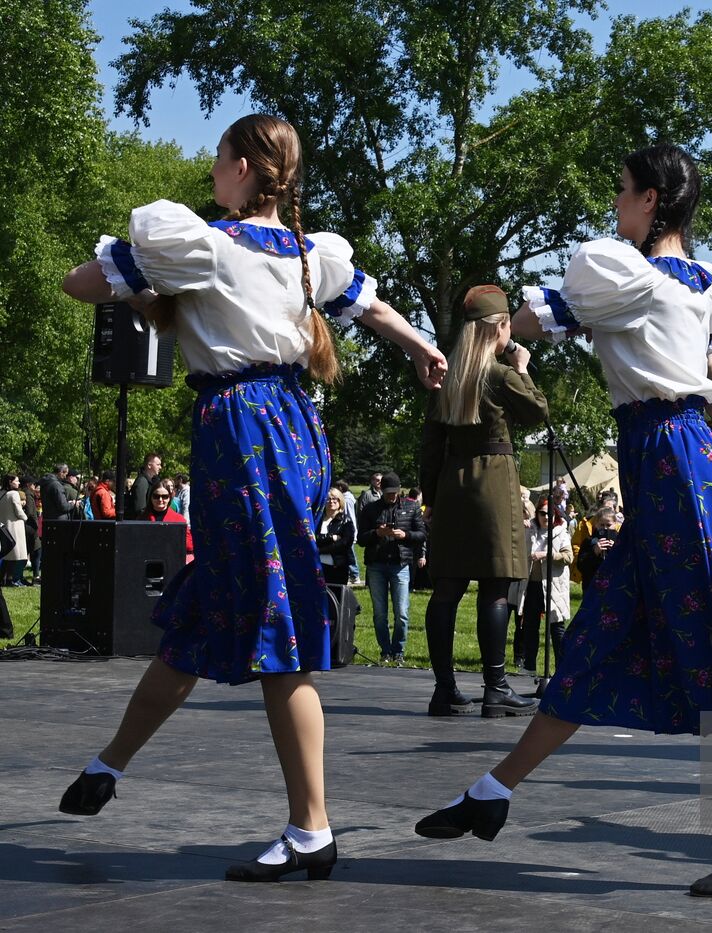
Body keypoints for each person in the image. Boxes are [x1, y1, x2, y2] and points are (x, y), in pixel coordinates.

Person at [55, 113, 447, 882]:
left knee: (276, 628)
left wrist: (138, 278)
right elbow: (369, 308)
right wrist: (423, 346)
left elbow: (78, 284)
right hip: (293, 427)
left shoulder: (206, 247)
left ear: (241, 168)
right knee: (206, 609)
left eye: (217, 161)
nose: (210, 174)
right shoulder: (306, 255)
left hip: (241, 429)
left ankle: (311, 826)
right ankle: (109, 764)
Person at [415, 143, 712, 897]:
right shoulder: (698, 284)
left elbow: (541, 316)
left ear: (651, 201)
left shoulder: (625, 270)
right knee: (596, 638)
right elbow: (687, 364)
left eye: (622, 191)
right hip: (673, 463)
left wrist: (495, 341)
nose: (616, 204)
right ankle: (495, 789)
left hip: (678, 467)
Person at [420, 284, 548, 718]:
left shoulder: (446, 375)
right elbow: (536, 412)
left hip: (452, 484)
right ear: (501, 327)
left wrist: (432, 498)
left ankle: (444, 690)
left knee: (447, 589)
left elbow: (430, 445)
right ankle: (495, 688)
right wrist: (524, 367)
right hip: (493, 483)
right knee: (495, 587)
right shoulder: (499, 373)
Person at [357, 472, 427, 666]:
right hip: (376, 565)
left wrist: (405, 535)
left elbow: (422, 534)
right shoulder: (371, 509)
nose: (391, 496)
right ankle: (385, 650)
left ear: (399, 490)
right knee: (380, 613)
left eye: (394, 492)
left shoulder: (411, 507)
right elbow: (361, 539)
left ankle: (399, 650)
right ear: (381, 490)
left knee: (402, 612)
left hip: (400, 564)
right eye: (388, 493)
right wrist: (376, 533)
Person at [517, 498, 573, 679]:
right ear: (537, 514)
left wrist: (547, 554)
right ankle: (529, 666)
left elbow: (569, 557)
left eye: (550, 513)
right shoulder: (529, 530)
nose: (546, 517)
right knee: (530, 626)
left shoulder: (561, 532)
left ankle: (561, 668)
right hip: (532, 586)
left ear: (555, 515)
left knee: (556, 627)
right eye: (542, 513)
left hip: (553, 587)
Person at [141, 483, 193, 561]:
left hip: (172, 561)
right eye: (156, 496)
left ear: (169, 498)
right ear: (150, 497)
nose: (160, 500)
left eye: (164, 496)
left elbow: (189, 545)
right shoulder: (142, 518)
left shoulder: (179, 520)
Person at [576, 504, 620, 592]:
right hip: (592, 585)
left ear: (615, 524)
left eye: (608, 525)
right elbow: (581, 566)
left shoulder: (620, 541)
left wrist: (616, 551)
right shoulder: (589, 542)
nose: (605, 528)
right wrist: (594, 552)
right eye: (602, 525)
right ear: (596, 524)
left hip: (614, 586)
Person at [315, 494, 355, 586]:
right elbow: (313, 538)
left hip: (337, 566)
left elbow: (345, 543)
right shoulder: (317, 520)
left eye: (335, 499)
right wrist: (331, 537)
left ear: (340, 501)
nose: (331, 501)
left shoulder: (346, 521)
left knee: (336, 596)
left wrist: (320, 550)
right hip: (318, 564)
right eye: (328, 499)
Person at [1, 476, 28, 586]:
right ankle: (12, 579)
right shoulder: (14, 494)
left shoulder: (1, 493)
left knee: (6, 556)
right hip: (15, 526)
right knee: (15, 556)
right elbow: (18, 511)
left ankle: (4, 578)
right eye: (16, 481)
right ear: (10, 482)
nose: (18, 482)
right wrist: (25, 517)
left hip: (3, 525)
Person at [128, 453, 163, 518]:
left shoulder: (150, 481)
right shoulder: (142, 482)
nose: (160, 467)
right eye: (158, 465)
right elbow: (140, 509)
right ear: (149, 465)